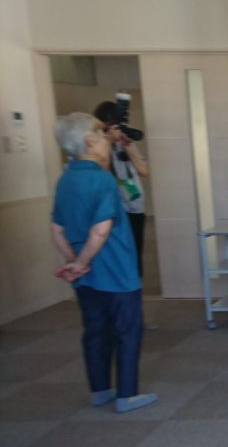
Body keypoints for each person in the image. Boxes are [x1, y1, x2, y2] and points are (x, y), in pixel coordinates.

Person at [50, 112, 157, 413]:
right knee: (127, 331)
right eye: (101, 134)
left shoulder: (65, 179)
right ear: (89, 141)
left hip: (86, 279)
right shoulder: (102, 180)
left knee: (95, 330)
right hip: (117, 273)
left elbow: (56, 229)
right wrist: (83, 261)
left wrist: (73, 262)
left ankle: (99, 390)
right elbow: (101, 229)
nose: (107, 140)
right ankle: (127, 395)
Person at [92, 100, 149, 278]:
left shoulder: (126, 143)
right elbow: (101, 171)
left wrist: (128, 145)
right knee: (117, 256)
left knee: (135, 255)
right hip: (113, 210)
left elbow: (143, 170)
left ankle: (134, 284)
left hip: (134, 208)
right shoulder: (97, 145)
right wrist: (108, 141)